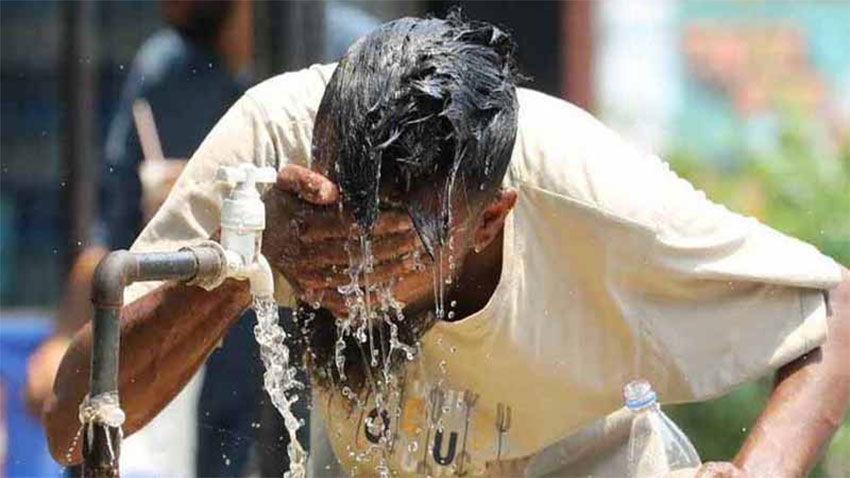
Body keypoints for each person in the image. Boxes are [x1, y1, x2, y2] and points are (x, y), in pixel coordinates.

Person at [44, 14, 849, 478]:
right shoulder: (269, 147)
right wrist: (242, 261)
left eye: (395, 253)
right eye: (333, 232)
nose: (350, 282)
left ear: (491, 220)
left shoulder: (594, 196)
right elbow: (73, 428)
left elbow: (835, 307)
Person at [25, 1, 258, 476]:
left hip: (278, 396)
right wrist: (63, 337)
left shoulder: (328, 49)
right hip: (172, 399)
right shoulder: (162, 72)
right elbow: (112, 240)